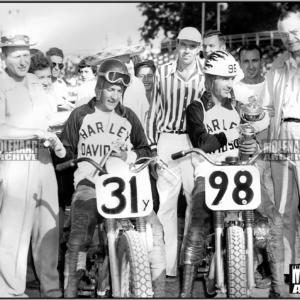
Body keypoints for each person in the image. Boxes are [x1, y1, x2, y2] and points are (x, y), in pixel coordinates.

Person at [54, 58, 166, 297]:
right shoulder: (80, 115)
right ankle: (70, 291)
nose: (114, 96)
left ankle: (159, 291)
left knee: (155, 231)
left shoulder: (129, 117)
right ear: (99, 87)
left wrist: (127, 154)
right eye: (110, 89)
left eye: (119, 90)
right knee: (78, 236)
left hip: (124, 186)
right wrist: (62, 152)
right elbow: (66, 149)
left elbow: (145, 149)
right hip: (90, 185)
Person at [180, 50, 288, 298]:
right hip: (209, 174)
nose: (229, 84)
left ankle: (279, 287)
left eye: (231, 79)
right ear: (209, 79)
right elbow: (204, 142)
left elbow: (259, 123)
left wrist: (252, 143)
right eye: (223, 79)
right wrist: (237, 132)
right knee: (195, 229)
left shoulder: (238, 107)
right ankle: (184, 293)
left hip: (241, 173)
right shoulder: (195, 109)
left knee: (275, 220)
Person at [0, 34, 64, 297]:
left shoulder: (35, 83)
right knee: (14, 232)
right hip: (15, 162)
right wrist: (35, 133)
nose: (23, 60)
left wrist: (56, 133)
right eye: (16, 55)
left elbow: (47, 119)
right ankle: (10, 291)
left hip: (44, 161)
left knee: (48, 227)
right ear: (3, 57)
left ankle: (50, 290)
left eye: (26, 54)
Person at [146, 26, 205, 280]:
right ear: (176, 45)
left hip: (194, 142)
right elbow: (153, 110)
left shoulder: (206, 75)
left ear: (199, 49)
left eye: (193, 46)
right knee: (167, 206)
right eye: (183, 45)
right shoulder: (163, 72)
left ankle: (189, 262)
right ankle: (168, 266)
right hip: (168, 140)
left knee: (195, 203)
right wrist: (151, 146)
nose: (187, 50)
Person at [261, 9, 300, 281]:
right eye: (284, 34)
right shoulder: (276, 65)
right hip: (280, 142)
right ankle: (293, 280)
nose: (290, 38)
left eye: (295, 32)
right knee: (285, 215)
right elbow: (267, 110)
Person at [233, 43, 273, 288]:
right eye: (246, 61)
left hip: (271, 156)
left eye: (255, 60)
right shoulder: (234, 89)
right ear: (240, 63)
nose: (251, 66)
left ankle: (277, 269)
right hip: (246, 158)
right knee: (252, 212)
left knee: (273, 214)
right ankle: (255, 265)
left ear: (262, 61)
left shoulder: (271, 85)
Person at [83, 43, 149, 126]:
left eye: (127, 61)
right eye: (120, 62)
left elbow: (143, 114)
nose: (125, 65)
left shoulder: (137, 83)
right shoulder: (88, 87)